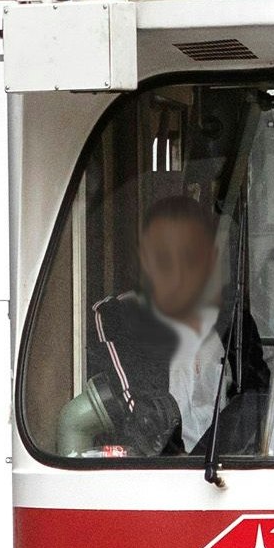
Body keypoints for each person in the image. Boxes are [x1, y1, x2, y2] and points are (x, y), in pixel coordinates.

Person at [61, 192, 242, 455]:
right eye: (163, 254)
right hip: (160, 474)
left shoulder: (230, 321)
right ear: (144, 259)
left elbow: (258, 402)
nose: (177, 267)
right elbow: (143, 416)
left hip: (229, 472)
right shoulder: (118, 316)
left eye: (189, 253)